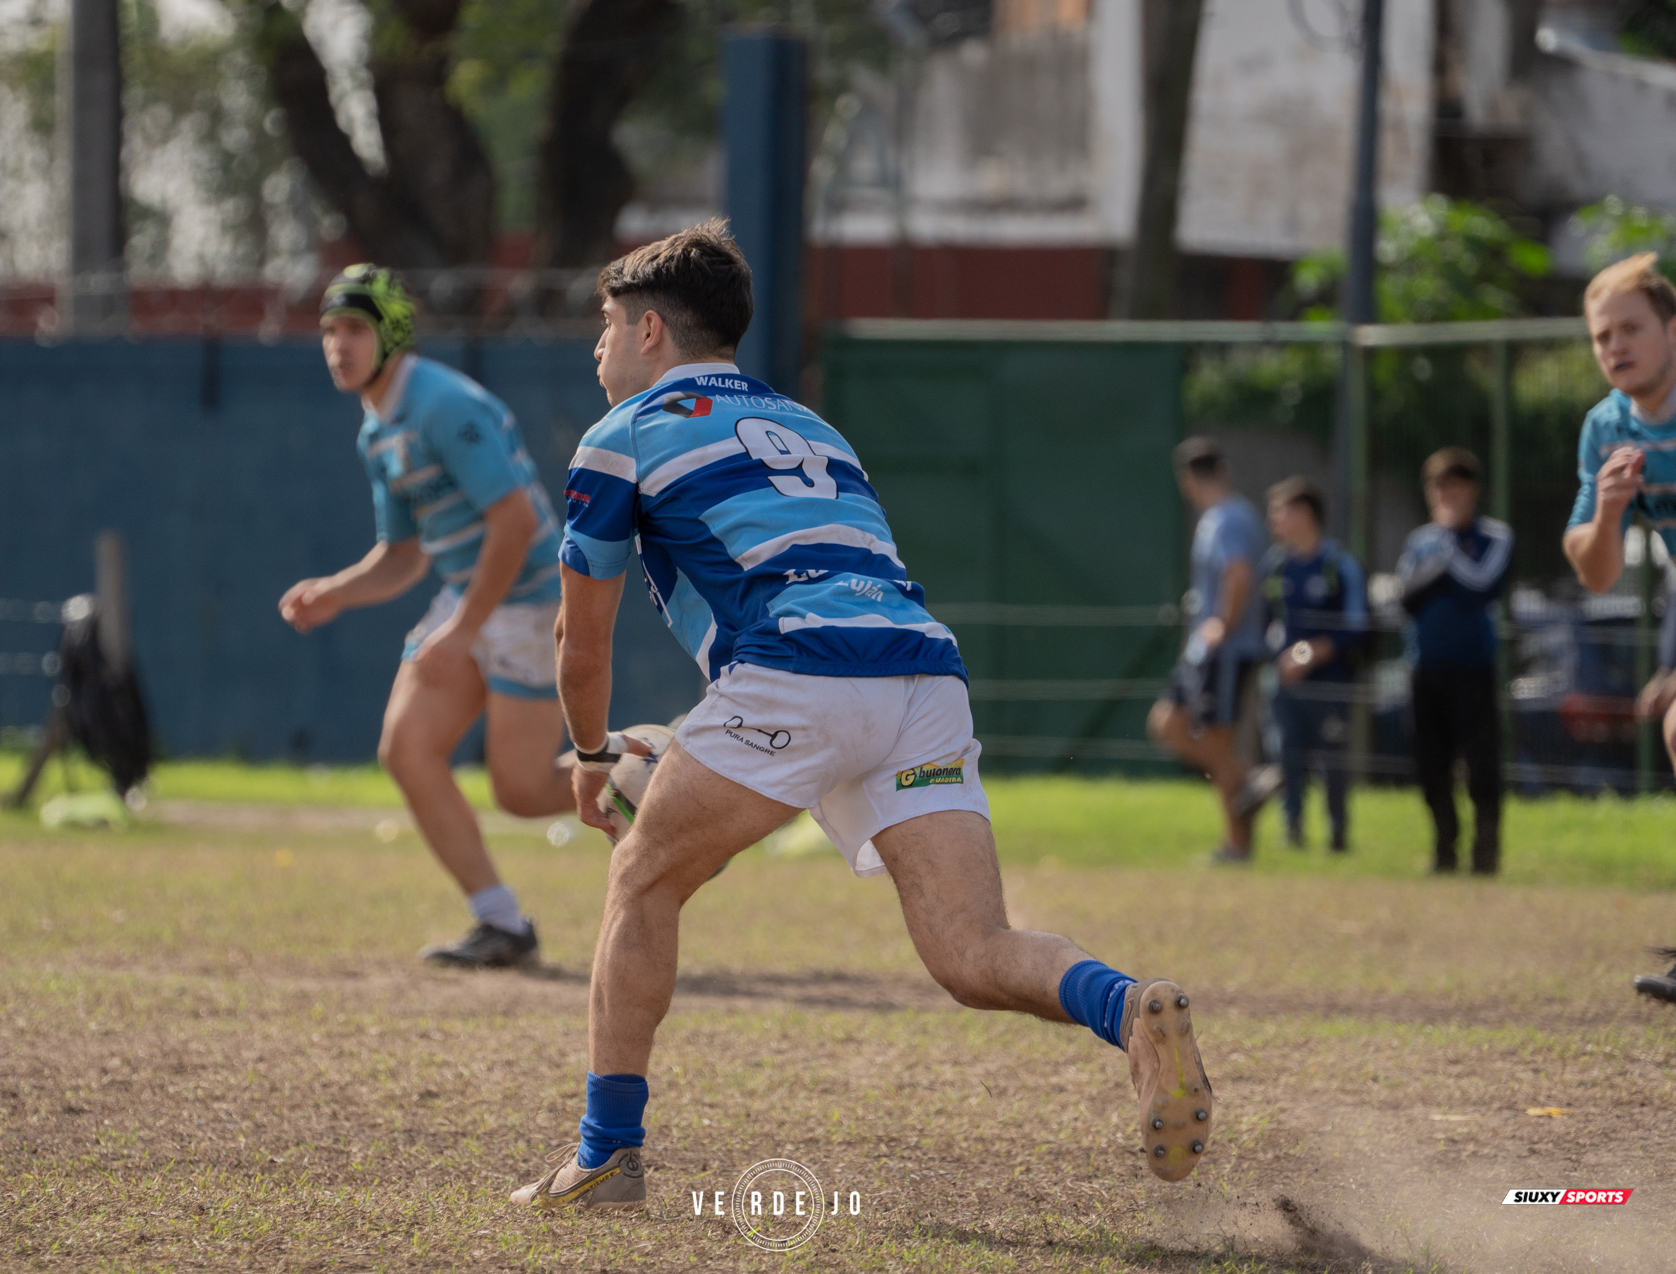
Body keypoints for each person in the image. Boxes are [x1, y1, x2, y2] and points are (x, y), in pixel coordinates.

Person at [509, 220, 1215, 1210]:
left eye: (608, 327)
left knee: (640, 876)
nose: (599, 348)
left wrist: (592, 752)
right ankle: (1130, 1005)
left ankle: (607, 1155)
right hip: (921, 677)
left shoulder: (620, 435)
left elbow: (580, 644)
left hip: (796, 674)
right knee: (971, 950)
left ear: (653, 332)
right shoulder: (814, 428)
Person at [279, 265, 572, 969]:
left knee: (524, 793)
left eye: (353, 330)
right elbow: (404, 555)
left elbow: (515, 521)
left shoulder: (442, 404)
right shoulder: (376, 428)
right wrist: (336, 592)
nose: (337, 346)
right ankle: (501, 923)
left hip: (528, 602)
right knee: (406, 750)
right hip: (468, 599)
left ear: (391, 336)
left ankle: (654, 788)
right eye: (328, 332)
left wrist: (463, 629)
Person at [1560, 252, 1676, 1001]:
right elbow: (1593, 572)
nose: (1615, 347)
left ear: (1673, 330)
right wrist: (1606, 513)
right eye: (1603, 337)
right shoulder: (1607, 428)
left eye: (1631, 328)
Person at [1147, 438, 1276, 863]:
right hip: (1208, 653)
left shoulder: (1225, 520)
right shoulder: (1231, 515)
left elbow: (1238, 573)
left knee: (1218, 744)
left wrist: (1222, 622)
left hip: (1225, 650)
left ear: (1186, 479)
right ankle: (1249, 781)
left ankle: (1238, 844)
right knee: (1168, 724)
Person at [1397, 447, 1512, 876]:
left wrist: (1445, 549)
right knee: (1430, 765)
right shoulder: (1418, 540)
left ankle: (1486, 850)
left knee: (1482, 764)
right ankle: (1445, 847)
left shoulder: (1495, 537)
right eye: (1437, 487)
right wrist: (1439, 563)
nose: (1446, 496)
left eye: (1454, 487)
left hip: (1473, 670)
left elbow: (1481, 585)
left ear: (1472, 490)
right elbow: (1406, 597)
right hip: (1424, 667)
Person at [1260, 477, 1367, 852]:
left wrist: (1305, 655)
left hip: (1331, 684)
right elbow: (1264, 624)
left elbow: (1355, 628)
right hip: (1285, 687)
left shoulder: (1339, 565)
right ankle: (1293, 834)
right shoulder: (1275, 567)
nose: (1274, 522)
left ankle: (1338, 836)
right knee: (1287, 757)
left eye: (1280, 513)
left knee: (1333, 761)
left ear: (1305, 514)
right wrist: (1277, 662)